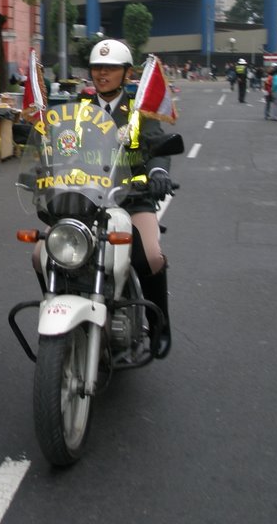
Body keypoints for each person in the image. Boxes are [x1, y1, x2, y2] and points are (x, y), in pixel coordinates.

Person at [84, 39, 174, 357]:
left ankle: (159, 325)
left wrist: (158, 173)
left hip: (133, 199)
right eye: (97, 67)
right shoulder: (79, 109)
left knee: (149, 256)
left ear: (127, 73)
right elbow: (59, 145)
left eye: (110, 68)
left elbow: (157, 146)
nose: (102, 73)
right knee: (42, 254)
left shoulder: (139, 112)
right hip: (85, 201)